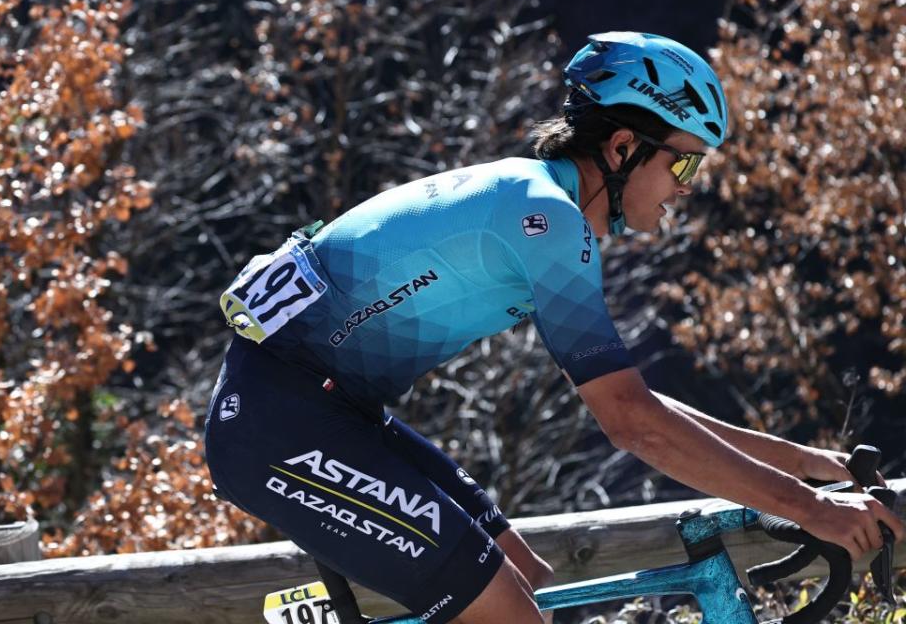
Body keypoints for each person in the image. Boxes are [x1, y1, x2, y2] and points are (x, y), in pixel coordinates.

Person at [204, 32, 903, 624]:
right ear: (625, 146)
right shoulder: (547, 222)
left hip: (328, 412)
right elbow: (631, 424)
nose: (688, 186)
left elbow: (639, 404)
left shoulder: (536, 204)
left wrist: (810, 467)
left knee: (531, 583)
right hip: (283, 425)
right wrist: (808, 508)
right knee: (509, 614)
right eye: (683, 161)